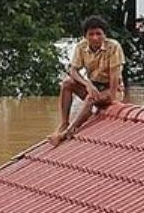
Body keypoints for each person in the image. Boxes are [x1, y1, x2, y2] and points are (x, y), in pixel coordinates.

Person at [49, 15, 125, 146]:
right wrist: (87, 84)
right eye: (91, 34)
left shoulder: (114, 47)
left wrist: (111, 98)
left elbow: (114, 77)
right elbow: (73, 71)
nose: (95, 37)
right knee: (67, 83)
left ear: (104, 35)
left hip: (111, 88)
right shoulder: (81, 46)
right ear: (85, 36)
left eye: (98, 34)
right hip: (93, 86)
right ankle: (64, 122)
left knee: (90, 98)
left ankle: (67, 132)